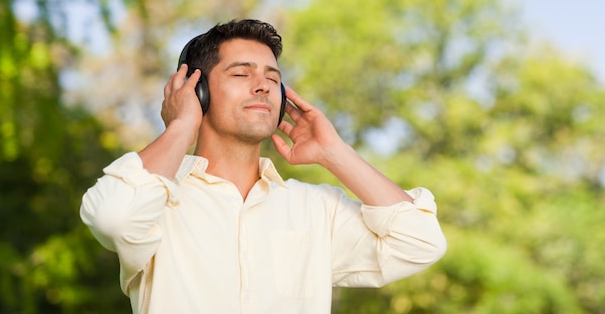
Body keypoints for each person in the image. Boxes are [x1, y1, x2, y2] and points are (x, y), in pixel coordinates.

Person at [80, 19, 446, 314]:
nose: (263, 87)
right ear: (196, 91)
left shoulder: (315, 208)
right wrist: (181, 126)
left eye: (273, 78)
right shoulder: (158, 200)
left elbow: (421, 242)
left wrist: (335, 153)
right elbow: (112, 217)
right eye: (242, 74)